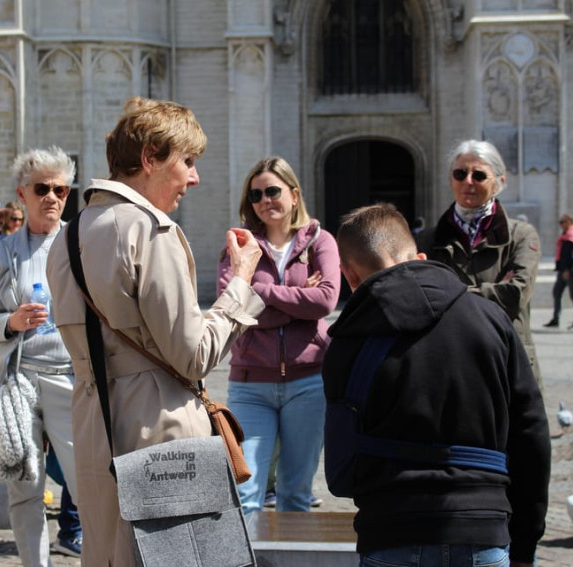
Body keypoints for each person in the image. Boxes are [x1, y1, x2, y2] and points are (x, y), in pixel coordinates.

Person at [45, 97, 265, 566]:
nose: (194, 177)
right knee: (186, 558)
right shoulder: (149, 229)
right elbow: (194, 355)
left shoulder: (68, 235)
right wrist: (241, 281)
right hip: (161, 425)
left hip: (92, 418)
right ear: (149, 158)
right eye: (187, 161)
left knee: (110, 554)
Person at [325, 203, 550, 567]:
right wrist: (526, 541)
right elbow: (531, 434)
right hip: (483, 527)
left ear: (350, 276)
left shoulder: (348, 342)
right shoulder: (491, 320)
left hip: (390, 529)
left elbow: (341, 467)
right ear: (422, 257)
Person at [0, 147, 80, 565]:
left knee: (85, 481)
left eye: (60, 189)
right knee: (25, 487)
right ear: (22, 194)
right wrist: (10, 323)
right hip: (16, 380)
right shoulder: (0, 255)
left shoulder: (81, 245)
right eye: (42, 188)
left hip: (69, 378)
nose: (52, 197)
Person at [216, 156, 340, 514]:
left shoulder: (321, 242)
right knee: (246, 494)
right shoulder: (239, 245)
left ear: (294, 195)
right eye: (256, 195)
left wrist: (261, 291)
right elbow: (233, 307)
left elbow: (326, 300)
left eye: (273, 191)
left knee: (296, 494)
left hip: (308, 381)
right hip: (250, 384)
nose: (265, 200)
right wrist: (298, 302)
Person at [418, 139, 542, 386]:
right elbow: (418, 299)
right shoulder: (426, 240)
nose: (468, 182)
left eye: (479, 175)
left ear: (500, 182)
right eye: (460, 173)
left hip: (507, 362)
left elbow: (514, 294)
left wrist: (447, 295)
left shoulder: (520, 235)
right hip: (449, 364)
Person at [545, 213, 573, 328]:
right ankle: (556, 318)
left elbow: (571, 255)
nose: (561, 225)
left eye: (562, 222)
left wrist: (567, 270)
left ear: (569, 222)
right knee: (557, 292)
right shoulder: (566, 234)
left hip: (570, 270)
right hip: (563, 269)